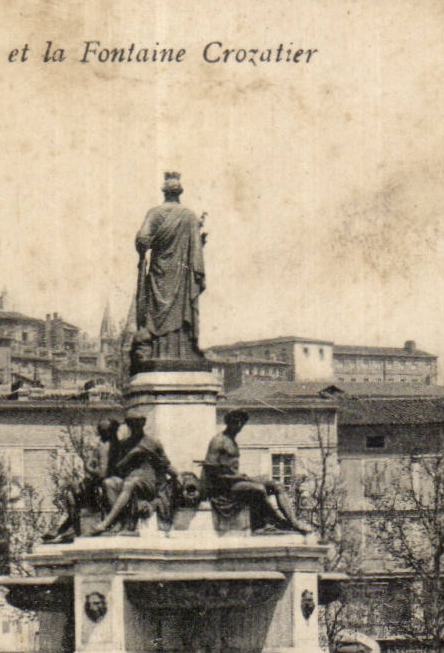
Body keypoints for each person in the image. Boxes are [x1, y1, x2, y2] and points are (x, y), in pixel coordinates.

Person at [130, 171, 207, 371]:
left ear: (164, 192)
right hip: (182, 276)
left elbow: (142, 241)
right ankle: (181, 351)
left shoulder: (154, 213)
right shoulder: (189, 216)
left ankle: (159, 352)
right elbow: (196, 249)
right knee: (182, 313)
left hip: (161, 275)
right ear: (179, 193)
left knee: (156, 313)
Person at [202, 410, 310, 534]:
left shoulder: (232, 441)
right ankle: (276, 522)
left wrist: (240, 477)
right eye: (235, 422)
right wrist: (237, 477)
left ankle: (294, 521)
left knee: (275, 485)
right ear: (229, 422)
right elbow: (210, 469)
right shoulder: (218, 441)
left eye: (241, 423)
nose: (239, 426)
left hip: (236, 480)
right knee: (258, 489)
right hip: (224, 487)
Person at [91, 416, 176, 536]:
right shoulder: (126, 443)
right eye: (131, 425)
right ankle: (120, 521)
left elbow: (166, 464)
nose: (133, 428)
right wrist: (131, 455)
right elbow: (118, 467)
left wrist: (179, 476)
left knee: (129, 484)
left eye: (136, 425)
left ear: (142, 425)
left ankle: (106, 523)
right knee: (109, 483)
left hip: (148, 481)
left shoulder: (152, 442)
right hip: (129, 479)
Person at [44, 417, 121, 544]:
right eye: (99, 431)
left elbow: (102, 473)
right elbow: (93, 462)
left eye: (102, 431)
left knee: (75, 492)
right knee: (71, 494)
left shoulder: (110, 447)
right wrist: (90, 465)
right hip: (96, 482)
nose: (99, 434)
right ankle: (71, 530)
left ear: (110, 432)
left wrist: (89, 468)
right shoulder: (101, 446)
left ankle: (67, 530)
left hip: (106, 482)